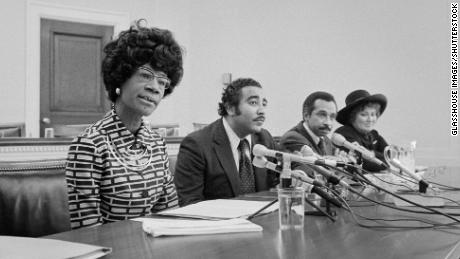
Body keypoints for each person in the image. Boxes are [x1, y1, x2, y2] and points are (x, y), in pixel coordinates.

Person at [65, 20, 184, 229]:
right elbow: (88, 232)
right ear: (120, 77)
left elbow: (170, 217)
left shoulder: (157, 143)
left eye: (163, 82)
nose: (155, 88)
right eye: (146, 75)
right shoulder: (89, 145)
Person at [174, 78, 279, 207]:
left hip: (262, 221)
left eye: (264, 104)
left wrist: (300, 174)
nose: (261, 110)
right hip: (219, 224)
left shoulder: (264, 138)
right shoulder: (196, 144)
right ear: (230, 108)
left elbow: (282, 174)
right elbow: (190, 204)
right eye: (253, 102)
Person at [279, 91, 338, 177]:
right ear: (306, 115)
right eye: (322, 115)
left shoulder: (325, 140)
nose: (328, 122)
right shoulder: (293, 138)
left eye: (332, 116)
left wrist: (344, 161)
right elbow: (310, 172)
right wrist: (336, 166)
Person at [334, 89, 388, 172]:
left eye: (373, 114)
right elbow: (368, 164)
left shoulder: (373, 135)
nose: (370, 119)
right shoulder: (344, 133)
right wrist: (382, 158)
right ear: (352, 117)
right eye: (364, 115)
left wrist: (373, 154)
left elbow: (392, 156)